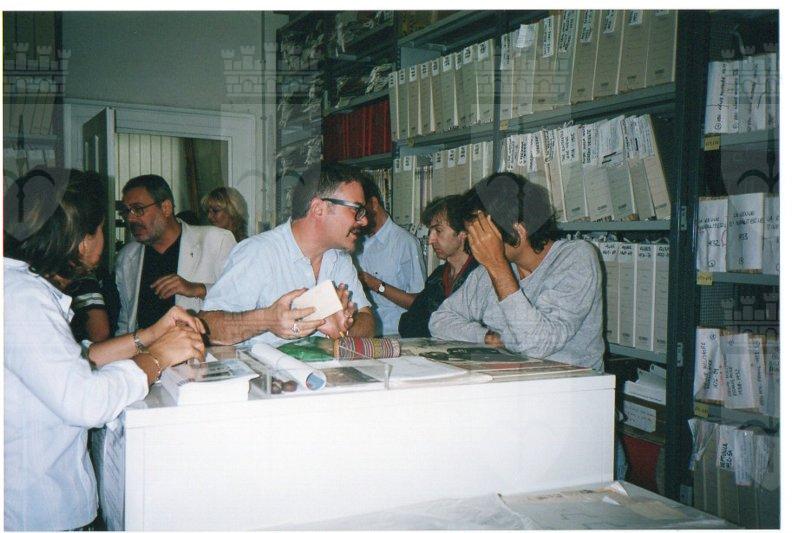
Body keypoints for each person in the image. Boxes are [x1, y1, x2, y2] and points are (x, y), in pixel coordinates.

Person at [4, 168, 206, 530]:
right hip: (38, 510)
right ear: (82, 241)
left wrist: (149, 336)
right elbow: (86, 401)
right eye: (100, 228)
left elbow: (77, 360)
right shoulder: (23, 299)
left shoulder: (19, 289)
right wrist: (158, 357)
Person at [429, 172, 605, 371]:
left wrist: (497, 266)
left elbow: (536, 344)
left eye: (483, 236)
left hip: (568, 385)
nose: (474, 245)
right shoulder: (489, 272)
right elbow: (439, 320)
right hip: (510, 380)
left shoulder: (576, 257)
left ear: (518, 230)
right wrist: (485, 337)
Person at [200, 164, 375, 346]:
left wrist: (344, 329)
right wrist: (266, 320)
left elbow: (368, 322)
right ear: (318, 209)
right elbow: (207, 326)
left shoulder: (339, 258)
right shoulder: (259, 253)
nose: (364, 220)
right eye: (356, 209)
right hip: (259, 365)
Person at [115, 174, 237, 334]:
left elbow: (240, 296)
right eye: (126, 211)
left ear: (166, 208)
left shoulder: (216, 241)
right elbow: (126, 322)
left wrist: (197, 289)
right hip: (147, 349)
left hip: (201, 347)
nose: (130, 218)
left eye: (138, 209)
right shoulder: (127, 257)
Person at [398, 195, 479, 338]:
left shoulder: (481, 275)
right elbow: (407, 324)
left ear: (462, 233)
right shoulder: (437, 277)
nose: (431, 240)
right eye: (430, 232)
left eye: (439, 231)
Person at [356, 175, 426, 336]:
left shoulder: (405, 243)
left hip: (394, 335)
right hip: (360, 334)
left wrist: (375, 284)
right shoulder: (354, 240)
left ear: (374, 204)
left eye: (360, 211)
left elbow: (418, 305)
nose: (358, 219)